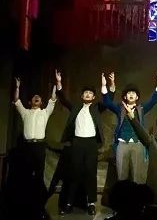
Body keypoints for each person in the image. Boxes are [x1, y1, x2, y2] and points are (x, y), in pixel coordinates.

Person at [55, 70, 106, 216]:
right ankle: (69, 203)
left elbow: (108, 101)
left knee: (90, 173)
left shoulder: (97, 108)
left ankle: (91, 203)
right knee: (74, 173)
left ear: (94, 97)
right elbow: (64, 100)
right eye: (86, 93)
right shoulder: (76, 108)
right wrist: (59, 83)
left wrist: (105, 86)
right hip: (77, 143)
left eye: (91, 93)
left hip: (91, 143)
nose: (88, 94)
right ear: (82, 96)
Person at [102, 72, 157, 184]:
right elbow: (107, 103)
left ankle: (136, 195)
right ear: (125, 96)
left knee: (137, 177)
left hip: (137, 144)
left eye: (133, 93)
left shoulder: (141, 109)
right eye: (129, 93)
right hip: (122, 144)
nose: (131, 94)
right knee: (121, 177)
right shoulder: (120, 109)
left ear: (137, 97)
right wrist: (106, 86)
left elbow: (153, 101)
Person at [12, 77, 57, 218]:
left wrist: (56, 84)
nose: (36, 98)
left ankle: (39, 207)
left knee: (38, 176)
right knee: (25, 175)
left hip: (39, 146)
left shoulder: (45, 112)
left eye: (39, 97)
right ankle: (25, 206)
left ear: (41, 102)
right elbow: (16, 101)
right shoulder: (25, 112)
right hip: (27, 146)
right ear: (30, 102)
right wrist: (17, 87)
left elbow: (53, 100)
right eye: (34, 97)